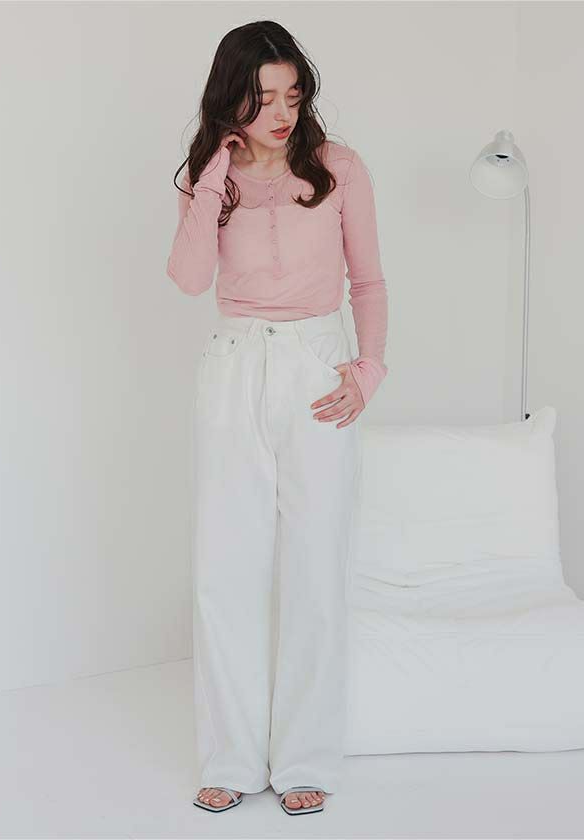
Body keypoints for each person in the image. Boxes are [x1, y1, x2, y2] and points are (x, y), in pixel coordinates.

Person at [166, 20, 388, 816]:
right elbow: (189, 278)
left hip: (316, 367)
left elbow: (369, 282)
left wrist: (368, 371)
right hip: (233, 369)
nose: (282, 112)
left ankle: (305, 760)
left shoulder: (338, 167)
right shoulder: (210, 177)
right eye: (262, 98)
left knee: (315, 566)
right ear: (231, 99)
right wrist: (213, 174)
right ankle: (228, 756)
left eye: (293, 94)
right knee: (225, 570)